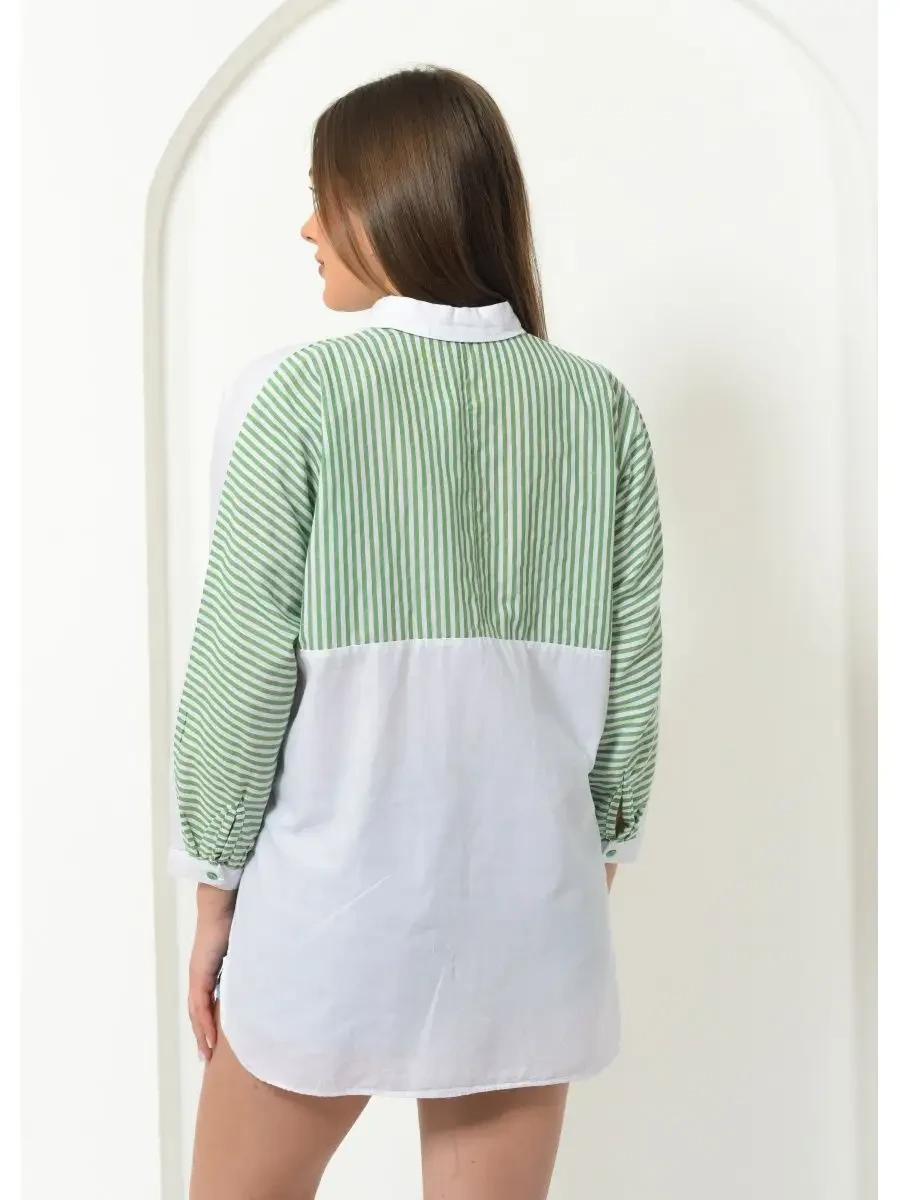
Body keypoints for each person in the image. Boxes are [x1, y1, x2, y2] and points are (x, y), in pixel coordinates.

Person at [170, 64, 664, 1200]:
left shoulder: (296, 395)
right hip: (533, 920)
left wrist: (212, 892)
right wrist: (571, 877)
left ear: (391, 201)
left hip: (327, 908)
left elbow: (241, 676)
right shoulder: (599, 409)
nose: (307, 228)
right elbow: (630, 700)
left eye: (323, 198)